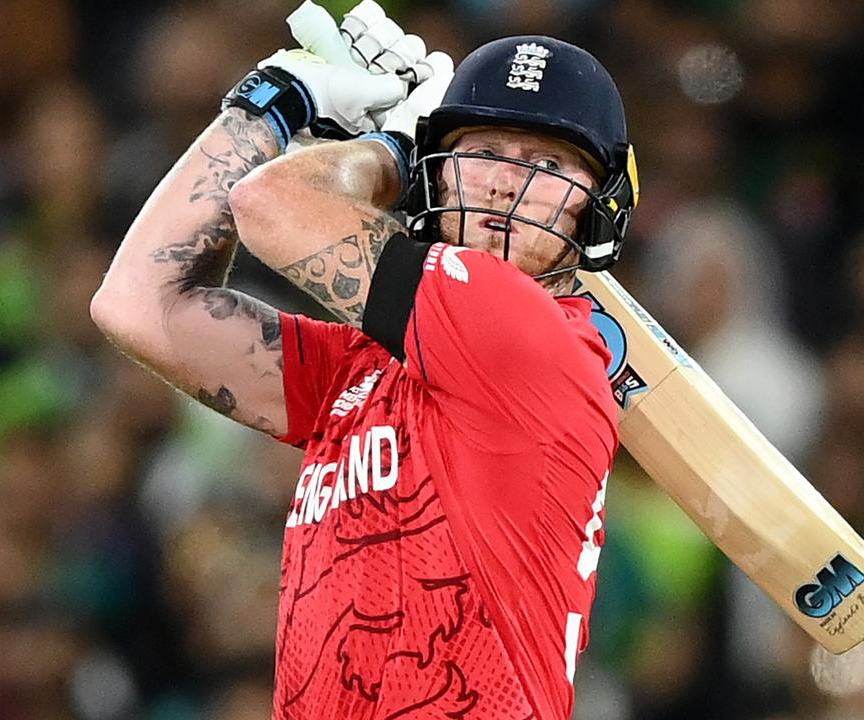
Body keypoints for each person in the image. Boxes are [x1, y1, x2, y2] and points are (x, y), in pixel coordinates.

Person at [91, 2, 638, 717]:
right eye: (483, 154)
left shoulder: (530, 335)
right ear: (441, 183)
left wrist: (383, 144)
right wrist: (267, 103)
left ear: (594, 209)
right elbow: (138, 303)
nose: (506, 184)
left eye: (546, 163)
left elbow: (270, 203)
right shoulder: (362, 367)